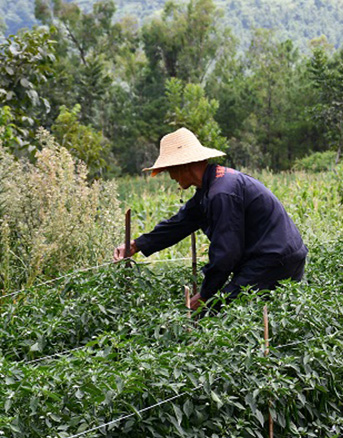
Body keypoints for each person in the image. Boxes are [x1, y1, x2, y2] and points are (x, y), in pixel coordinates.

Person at [112, 127, 307, 311]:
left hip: (274, 259)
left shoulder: (221, 193)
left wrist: (206, 294)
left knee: (223, 313)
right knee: (247, 312)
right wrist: (136, 245)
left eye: (170, 170)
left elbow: (226, 252)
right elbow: (180, 223)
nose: (171, 177)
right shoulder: (211, 186)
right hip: (276, 255)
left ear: (184, 166)